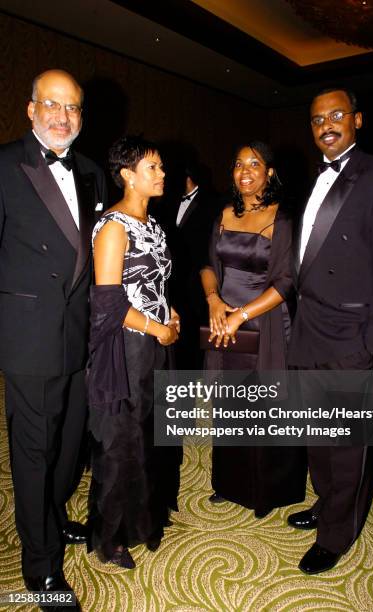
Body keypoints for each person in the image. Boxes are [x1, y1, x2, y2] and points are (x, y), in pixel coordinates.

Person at [0, 69, 107, 609]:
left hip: (81, 334)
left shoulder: (90, 171)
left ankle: (54, 513)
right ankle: (39, 567)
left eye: (73, 108)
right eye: (52, 105)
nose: (62, 117)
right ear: (31, 108)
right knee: (35, 452)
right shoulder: (2, 166)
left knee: (70, 444)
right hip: (28, 337)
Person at [287, 87, 373, 574]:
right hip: (311, 328)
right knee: (317, 434)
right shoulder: (311, 178)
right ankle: (325, 502)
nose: (326, 125)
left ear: (358, 119)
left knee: (348, 444)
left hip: (353, 334)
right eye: (317, 119)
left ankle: (337, 533)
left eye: (336, 115)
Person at [87, 135, 182, 569]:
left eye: (161, 167)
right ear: (127, 176)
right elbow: (109, 303)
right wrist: (156, 327)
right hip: (125, 346)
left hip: (155, 339)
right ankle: (111, 537)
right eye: (153, 168)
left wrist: (172, 313)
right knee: (119, 443)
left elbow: (154, 283)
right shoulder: (113, 226)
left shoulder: (154, 224)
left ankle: (143, 519)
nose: (162, 175)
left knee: (148, 434)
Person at [200, 141, 307, 517]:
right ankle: (228, 483)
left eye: (254, 164)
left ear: (270, 172)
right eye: (238, 163)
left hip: (265, 322)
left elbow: (285, 283)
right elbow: (208, 264)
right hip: (224, 320)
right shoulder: (224, 213)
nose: (244, 171)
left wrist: (240, 315)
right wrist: (214, 301)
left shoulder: (284, 218)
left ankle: (266, 490)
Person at [168, 161, 218, 369]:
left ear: (186, 177)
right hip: (172, 284)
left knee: (197, 344)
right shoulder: (166, 203)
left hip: (199, 283)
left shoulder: (212, 203)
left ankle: (199, 397)